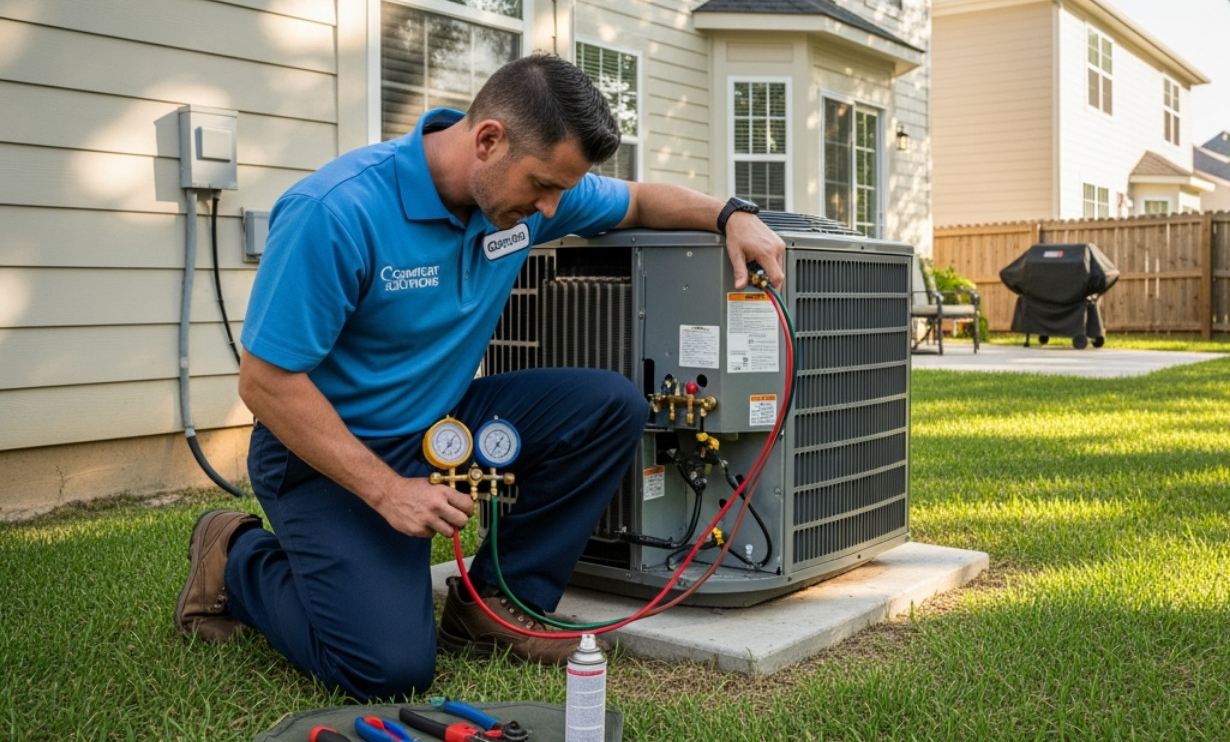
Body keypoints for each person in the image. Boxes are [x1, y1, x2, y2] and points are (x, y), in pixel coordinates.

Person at [174, 54, 785, 701]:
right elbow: (266, 385)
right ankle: (234, 555)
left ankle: (495, 605)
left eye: (562, 189)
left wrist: (733, 214)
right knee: (387, 670)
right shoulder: (336, 212)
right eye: (544, 185)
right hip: (327, 454)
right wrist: (388, 492)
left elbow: (637, 199)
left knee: (609, 406)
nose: (553, 206)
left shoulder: (528, 196)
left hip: (440, 424)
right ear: (488, 140)